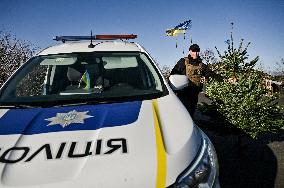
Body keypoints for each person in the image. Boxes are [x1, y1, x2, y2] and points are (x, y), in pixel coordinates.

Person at [170, 44, 214, 116]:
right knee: (182, 115)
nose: (196, 53)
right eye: (193, 51)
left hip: (194, 95)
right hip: (183, 95)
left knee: (191, 114)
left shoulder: (201, 65)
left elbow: (211, 74)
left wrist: (226, 79)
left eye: (197, 51)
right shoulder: (183, 61)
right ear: (190, 51)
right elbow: (173, 75)